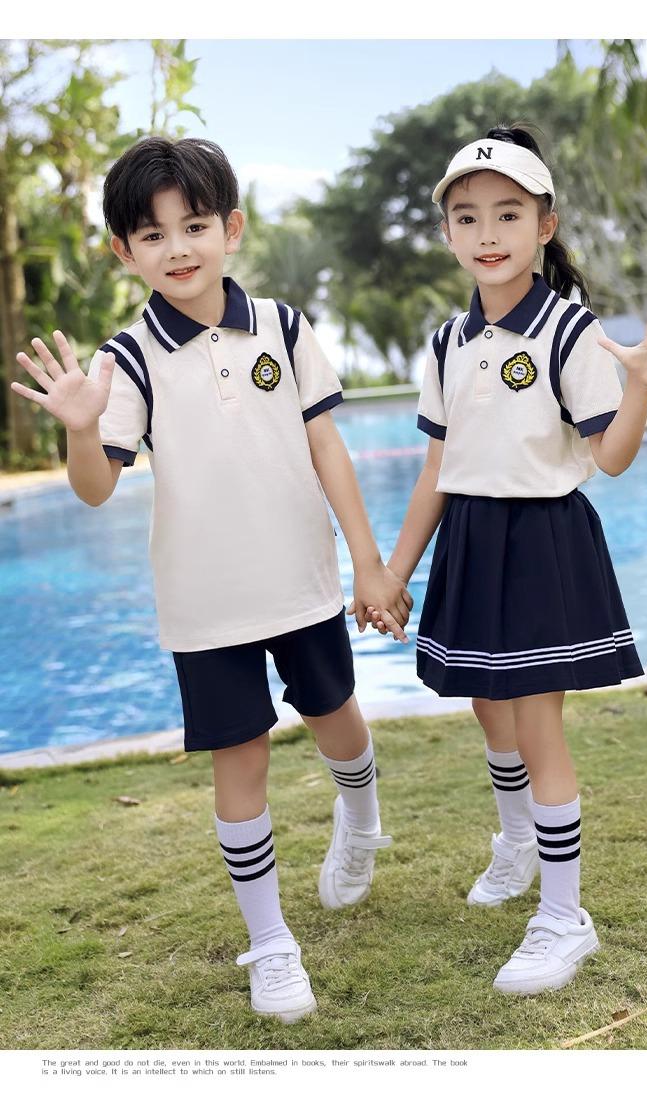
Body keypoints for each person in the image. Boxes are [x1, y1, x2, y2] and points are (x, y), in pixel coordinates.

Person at [11, 136, 413, 1024]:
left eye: (194, 225)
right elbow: (96, 487)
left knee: (336, 717)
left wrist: (369, 562)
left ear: (231, 228)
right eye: (152, 235)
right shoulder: (126, 360)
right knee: (242, 757)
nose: (178, 248)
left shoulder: (285, 328)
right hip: (205, 603)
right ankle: (271, 944)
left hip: (302, 582)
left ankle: (361, 819)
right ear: (124, 252)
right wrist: (79, 428)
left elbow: (326, 448)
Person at [359, 124, 647, 996]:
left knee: (538, 724)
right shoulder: (446, 342)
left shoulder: (569, 331)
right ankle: (515, 841)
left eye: (508, 214)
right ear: (447, 232)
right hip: (472, 539)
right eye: (468, 216)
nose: (488, 233)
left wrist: (641, 384)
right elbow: (436, 471)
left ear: (545, 225)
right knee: (490, 706)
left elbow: (611, 457)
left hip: (544, 540)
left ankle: (564, 917)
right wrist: (395, 571)